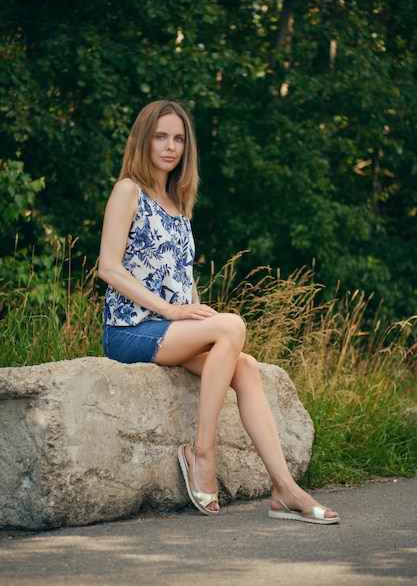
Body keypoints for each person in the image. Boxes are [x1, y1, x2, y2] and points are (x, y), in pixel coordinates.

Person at [98, 99, 340, 524]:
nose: (170, 147)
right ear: (143, 140)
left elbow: (181, 272)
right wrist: (171, 311)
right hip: (129, 328)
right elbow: (109, 268)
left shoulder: (179, 202)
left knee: (244, 367)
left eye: (178, 139)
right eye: (161, 137)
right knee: (233, 326)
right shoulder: (127, 191)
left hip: (167, 325)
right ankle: (201, 450)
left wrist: (193, 310)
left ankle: (284, 488)